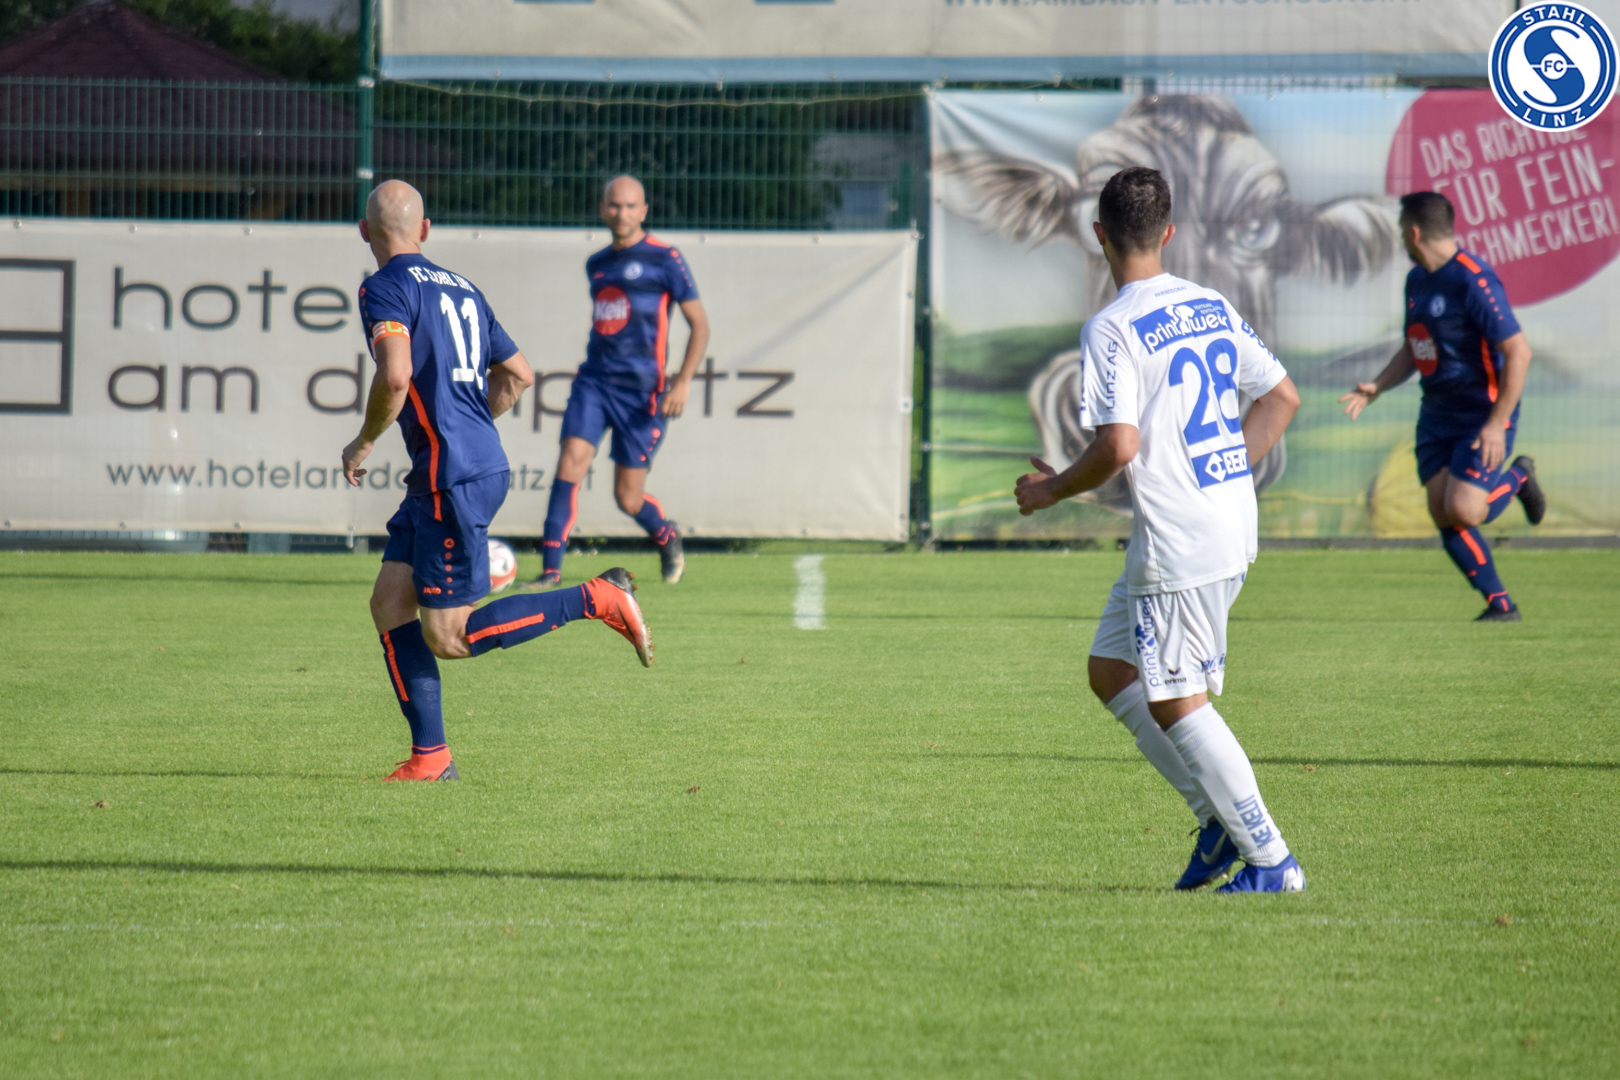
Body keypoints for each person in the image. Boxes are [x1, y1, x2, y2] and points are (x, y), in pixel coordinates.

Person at [1015, 167, 1306, 893]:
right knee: (1112, 669)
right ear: (1168, 233)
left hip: (1182, 537)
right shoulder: (1208, 303)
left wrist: (1050, 490)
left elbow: (1118, 445)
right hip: (1221, 520)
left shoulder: (1111, 327)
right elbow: (1282, 398)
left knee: (1177, 698)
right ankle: (1217, 822)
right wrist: (1223, 472)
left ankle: (1271, 860)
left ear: (1099, 236)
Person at [343, 180, 654, 783]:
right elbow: (518, 375)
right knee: (389, 604)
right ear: (425, 229)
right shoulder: (462, 287)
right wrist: (471, 429)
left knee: (449, 636)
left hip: (450, 475)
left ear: (364, 232)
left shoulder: (383, 286)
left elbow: (396, 376)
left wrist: (365, 440)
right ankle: (431, 758)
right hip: (459, 468)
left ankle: (596, 598)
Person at [1340, 191, 1545, 621]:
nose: (1402, 239)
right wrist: (1377, 386)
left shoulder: (1474, 280)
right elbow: (1414, 347)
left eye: (1402, 231)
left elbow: (1519, 352)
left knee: (1465, 508)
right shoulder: (1417, 281)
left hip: (1482, 415)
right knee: (1442, 510)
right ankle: (1501, 606)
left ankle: (1520, 476)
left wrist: (1497, 424)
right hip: (1436, 413)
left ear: (1413, 233)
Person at [529, 175, 710, 589]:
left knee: (627, 498)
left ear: (644, 210)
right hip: (594, 382)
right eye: (614, 205)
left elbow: (700, 326)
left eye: (630, 206)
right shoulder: (597, 263)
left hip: (643, 393)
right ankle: (550, 572)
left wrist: (682, 382)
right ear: (602, 209)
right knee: (570, 460)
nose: (622, 213)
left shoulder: (666, 259)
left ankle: (666, 535)